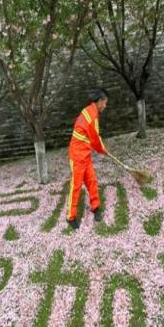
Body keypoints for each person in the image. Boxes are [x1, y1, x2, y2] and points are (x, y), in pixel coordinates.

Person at [66, 88, 109, 230]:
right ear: (100, 101)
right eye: (105, 103)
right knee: (76, 186)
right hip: (77, 156)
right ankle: (71, 217)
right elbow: (95, 139)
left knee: (91, 180)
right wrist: (102, 149)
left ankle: (96, 207)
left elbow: (93, 136)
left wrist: (101, 148)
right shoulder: (91, 115)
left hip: (85, 153)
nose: (105, 106)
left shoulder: (91, 111)